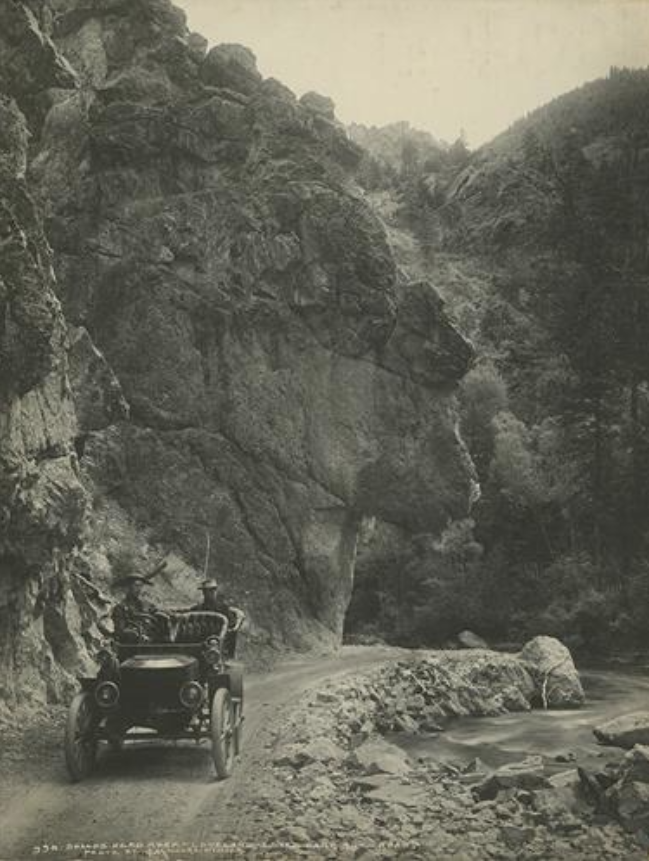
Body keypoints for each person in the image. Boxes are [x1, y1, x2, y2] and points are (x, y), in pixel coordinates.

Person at [190, 579, 244, 658]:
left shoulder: (222, 608)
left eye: (211, 591)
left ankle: (227, 657)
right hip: (198, 641)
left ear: (215, 592)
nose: (208, 594)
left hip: (216, 641)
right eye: (205, 591)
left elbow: (231, 625)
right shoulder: (197, 609)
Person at [112, 575, 161, 643]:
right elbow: (120, 630)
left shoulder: (148, 605)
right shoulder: (120, 608)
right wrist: (136, 634)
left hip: (151, 642)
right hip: (132, 645)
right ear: (128, 587)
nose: (139, 589)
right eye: (136, 585)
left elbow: (158, 616)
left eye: (140, 586)